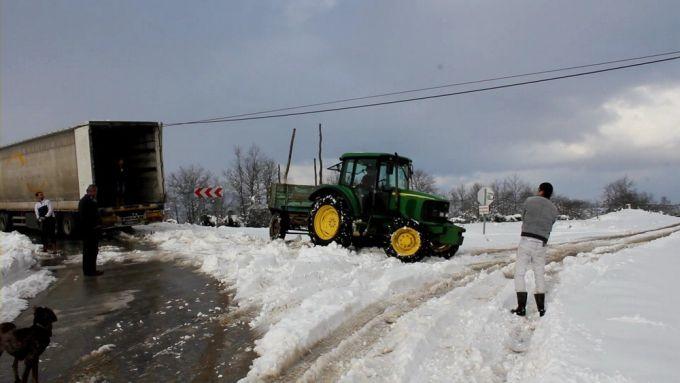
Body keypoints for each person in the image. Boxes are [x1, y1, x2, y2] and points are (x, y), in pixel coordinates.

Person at [511, 182, 558, 317]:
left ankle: (521, 307)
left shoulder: (530, 201)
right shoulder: (554, 209)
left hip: (526, 240)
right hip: (541, 243)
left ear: (541, 190)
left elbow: (523, 216)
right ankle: (541, 309)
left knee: (519, 273)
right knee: (539, 274)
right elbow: (552, 222)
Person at [78, 184, 102, 276]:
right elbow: (84, 217)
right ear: (90, 191)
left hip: (93, 230)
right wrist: (92, 226)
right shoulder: (85, 201)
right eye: (94, 191)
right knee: (89, 251)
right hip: (88, 231)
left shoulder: (92, 200)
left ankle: (92, 269)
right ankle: (89, 271)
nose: (96, 193)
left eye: (96, 191)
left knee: (93, 251)